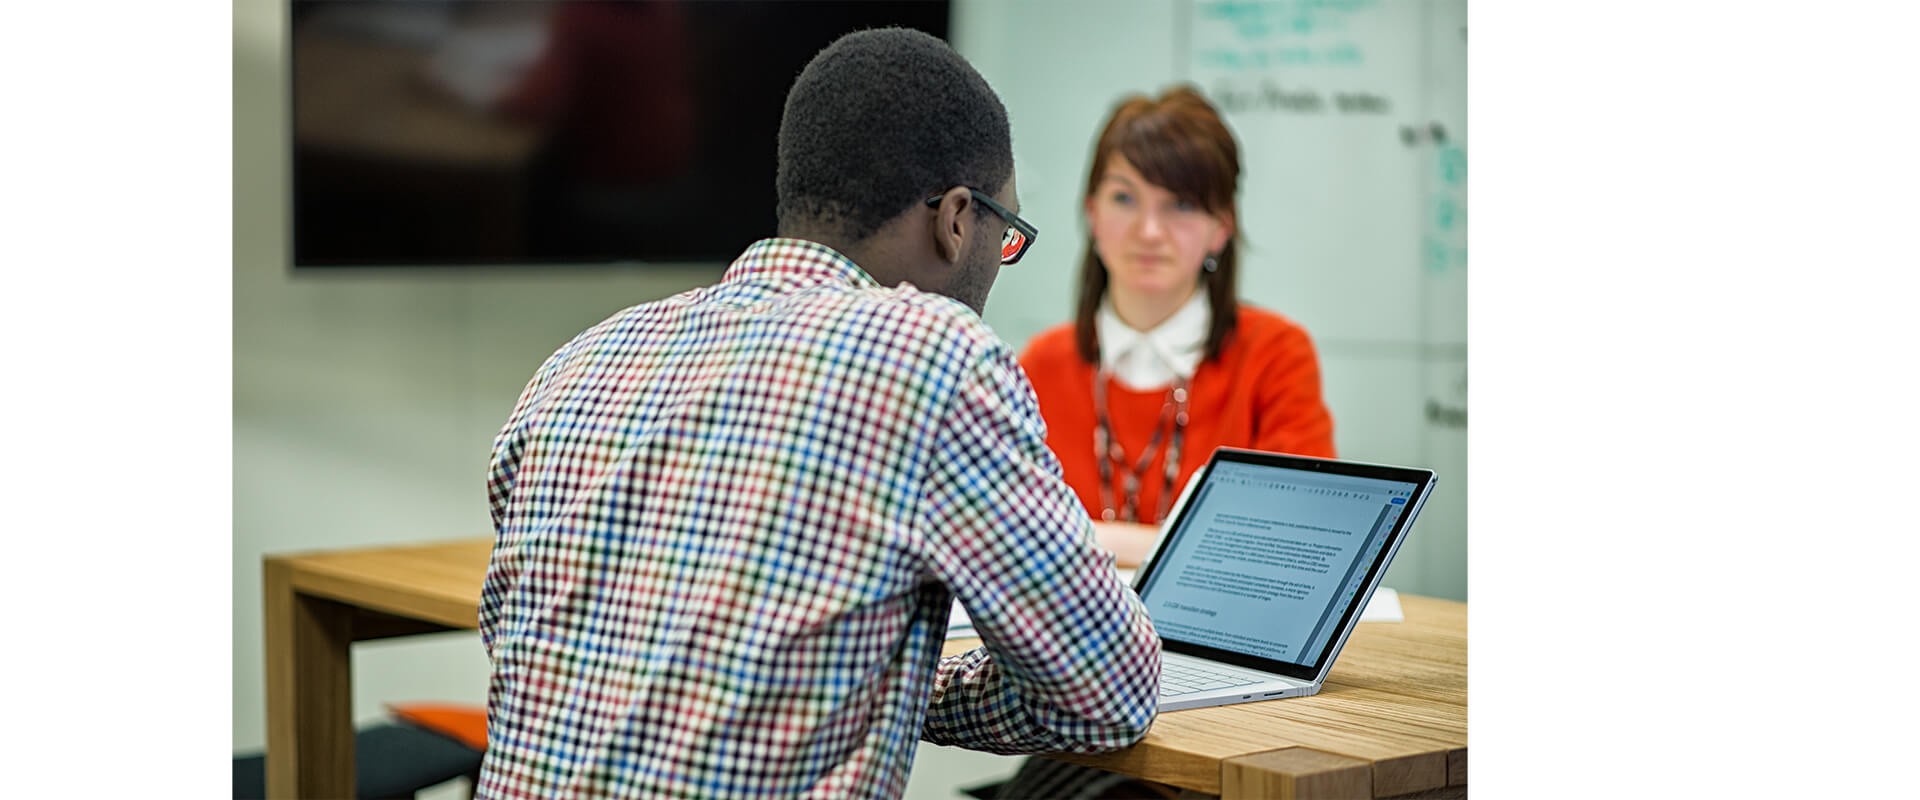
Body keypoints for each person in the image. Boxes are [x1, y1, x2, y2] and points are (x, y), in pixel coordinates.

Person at [476, 28, 1160, 800]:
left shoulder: (578, 364)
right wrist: (912, 696)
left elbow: (519, 641)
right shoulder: (934, 358)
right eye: (1007, 240)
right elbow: (1109, 692)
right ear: (959, 220)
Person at [1019, 86, 1337, 569]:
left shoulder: (1275, 354)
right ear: (1092, 213)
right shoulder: (1039, 364)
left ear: (1222, 228)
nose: (1149, 230)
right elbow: (1002, 533)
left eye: (1181, 205)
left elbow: (1298, 542)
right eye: (1124, 198)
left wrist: (1083, 537)